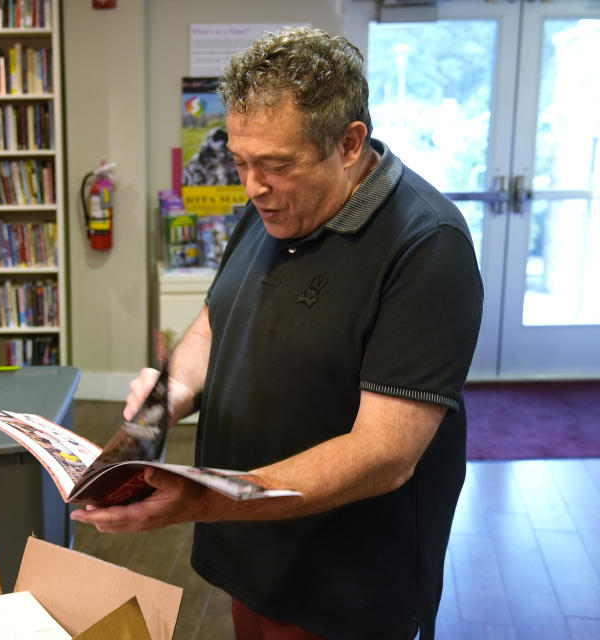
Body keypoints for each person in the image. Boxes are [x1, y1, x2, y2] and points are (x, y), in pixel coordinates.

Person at [71, 26, 483, 640]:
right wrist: (171, 396)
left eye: (276, 165)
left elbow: (385, 454)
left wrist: (205, 499)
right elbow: (217, 322)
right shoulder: (272, 206)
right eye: (240, 161)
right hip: (254, 554)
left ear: (348, 144)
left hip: (347, 584)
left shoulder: (427, 245)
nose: (252, 186)